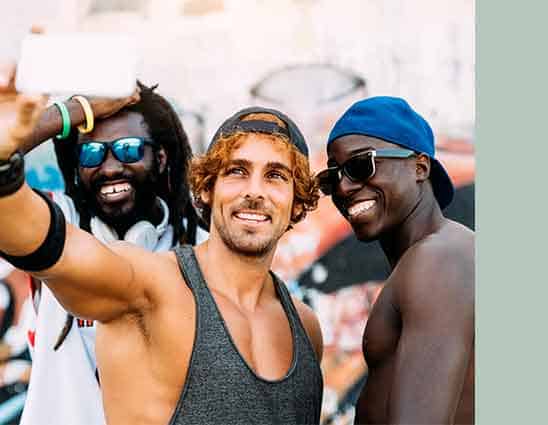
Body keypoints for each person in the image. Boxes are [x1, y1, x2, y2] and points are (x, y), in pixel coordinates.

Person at [0, 99, 323, 424]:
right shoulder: (148, 286)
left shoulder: (306, 328)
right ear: (208, 189)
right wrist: (4, 161)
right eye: (237, 171)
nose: (255, 191)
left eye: (276, 175)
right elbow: (41, 239)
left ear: (298, 203)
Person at [5, 83, 206, 424]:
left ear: (159, 158)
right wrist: (71, 113)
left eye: (128, 150)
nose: (110, 167)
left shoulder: (202, 251)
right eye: (91, 154)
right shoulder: (57, 222)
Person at [320, 96, 475, 424]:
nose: (344, 188)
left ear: (420, 166)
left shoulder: (439, 258)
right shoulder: (431, 258)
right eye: (331, 179)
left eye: (361, 166)